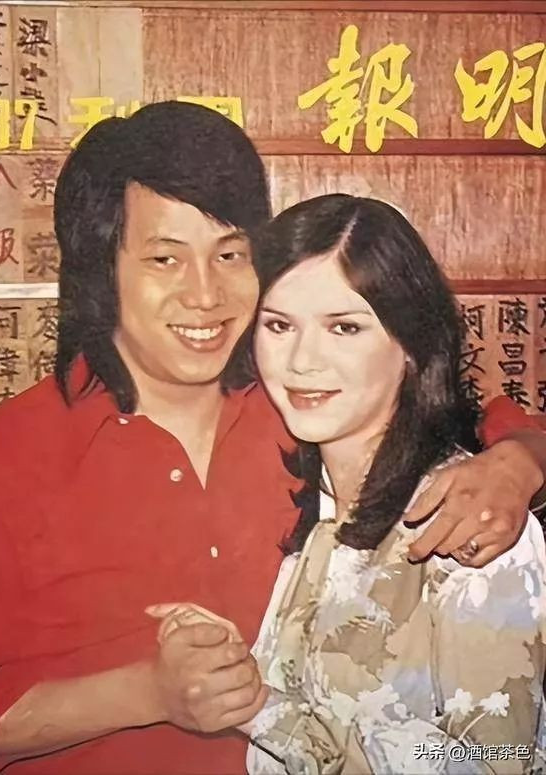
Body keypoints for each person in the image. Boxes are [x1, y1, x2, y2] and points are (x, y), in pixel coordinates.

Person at [0, 105, 544, 775]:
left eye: (230, 254)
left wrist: (519, 461)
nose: (206, 294)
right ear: (101, 270)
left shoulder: (297, 402)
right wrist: (144, 693)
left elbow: (454, 413)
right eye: (165, 259)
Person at [154, 194, 546, 774]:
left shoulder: (468, 525)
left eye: (344, 327)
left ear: (410, 344)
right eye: (279, 325)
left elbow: (498, 761)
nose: (302, 360)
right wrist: (241, 687)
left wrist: (273, 713)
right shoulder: (305, 508)